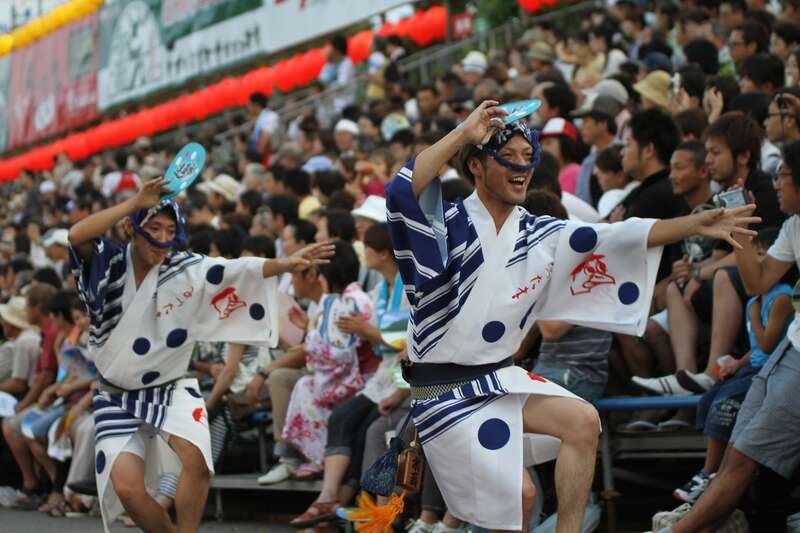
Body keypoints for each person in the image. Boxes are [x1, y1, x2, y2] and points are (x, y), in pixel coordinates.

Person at [385, 100, 758, 533]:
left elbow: (619, 234)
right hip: (442, 390)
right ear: (476, 166)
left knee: (583, 422)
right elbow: (400, 192)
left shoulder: (538, 233)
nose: (523, 166)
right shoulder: (445, 226)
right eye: (511, 157)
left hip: (495, 379)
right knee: (521, 497)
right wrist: (464, 133)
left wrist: (696, 224)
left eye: (530, 157)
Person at [66, 178, 332, 533]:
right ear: (132, 228)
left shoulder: (184, 267)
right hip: (115, 393)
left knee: (196, 459)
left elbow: (235, 269)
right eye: (153, 227)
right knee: (129, 489)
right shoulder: (110, 263)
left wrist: (284, 264)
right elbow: (76, 235)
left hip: (169, 385)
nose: (161, 237)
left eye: (169, 230)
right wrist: (135, 202)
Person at [661, 141, 800, 533]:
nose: (776, 185)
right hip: (788, 350)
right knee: (737, 451)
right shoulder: (793, 226)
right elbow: (756, 281)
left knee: (742, 458)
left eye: (783, 176)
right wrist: (738, 227)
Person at [673, 227, 793, 504]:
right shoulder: (756, 298)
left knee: (724, 405)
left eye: (765, 254)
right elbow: (756, 349)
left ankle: (709, 472)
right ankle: (719, 471)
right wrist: (737, 363)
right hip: (753, 367)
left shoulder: (782, 297)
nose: (760, 260)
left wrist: (752, 312)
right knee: (710, 398)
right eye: (758, 253)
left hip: (771, 370)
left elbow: (767, 345)